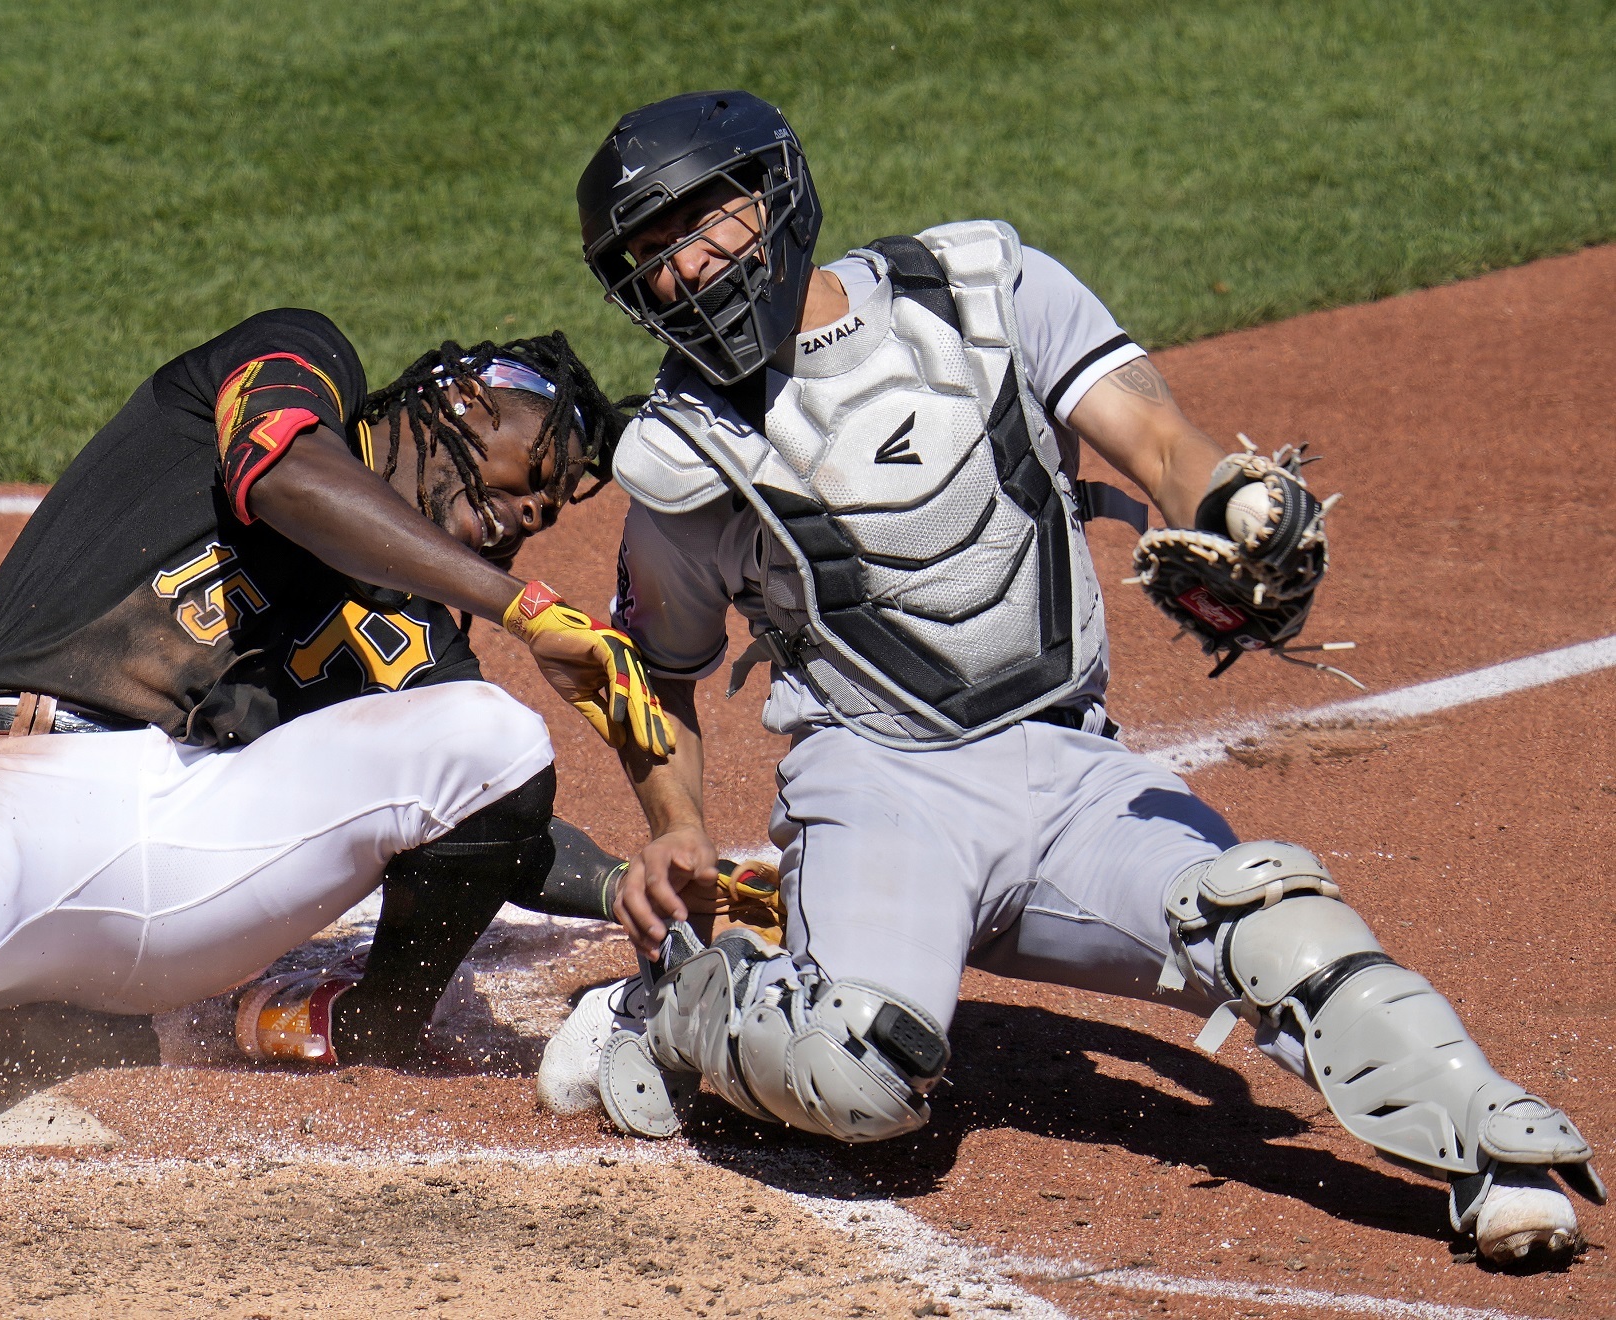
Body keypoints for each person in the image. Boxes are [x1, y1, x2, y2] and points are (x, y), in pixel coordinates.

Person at [538, 90, 1603, 1265]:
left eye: (700, 227)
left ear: (775, 196)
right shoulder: (686, 460)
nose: (685, 273)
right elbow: (660, 675)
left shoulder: (985, 293)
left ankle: (1495, 1147)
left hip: (1071, 767)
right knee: (856, 1079)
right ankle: (673, 1006)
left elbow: (1158, 445)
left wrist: (1236, 507)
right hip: (880, 786)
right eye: (649, 260)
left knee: (1269, 924)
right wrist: (676, 825)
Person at [0, 309, 676, 1166]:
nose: (540, 507)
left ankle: (362, 1028)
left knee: (493, 737)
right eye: (538, 465)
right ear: (461, 403)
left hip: (191, 868)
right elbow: (283, 476)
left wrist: (637, 883)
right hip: (3, 782)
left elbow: (488, 818)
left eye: (551, 507)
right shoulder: (298, 360)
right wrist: (520, 605)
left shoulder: (416, 627)